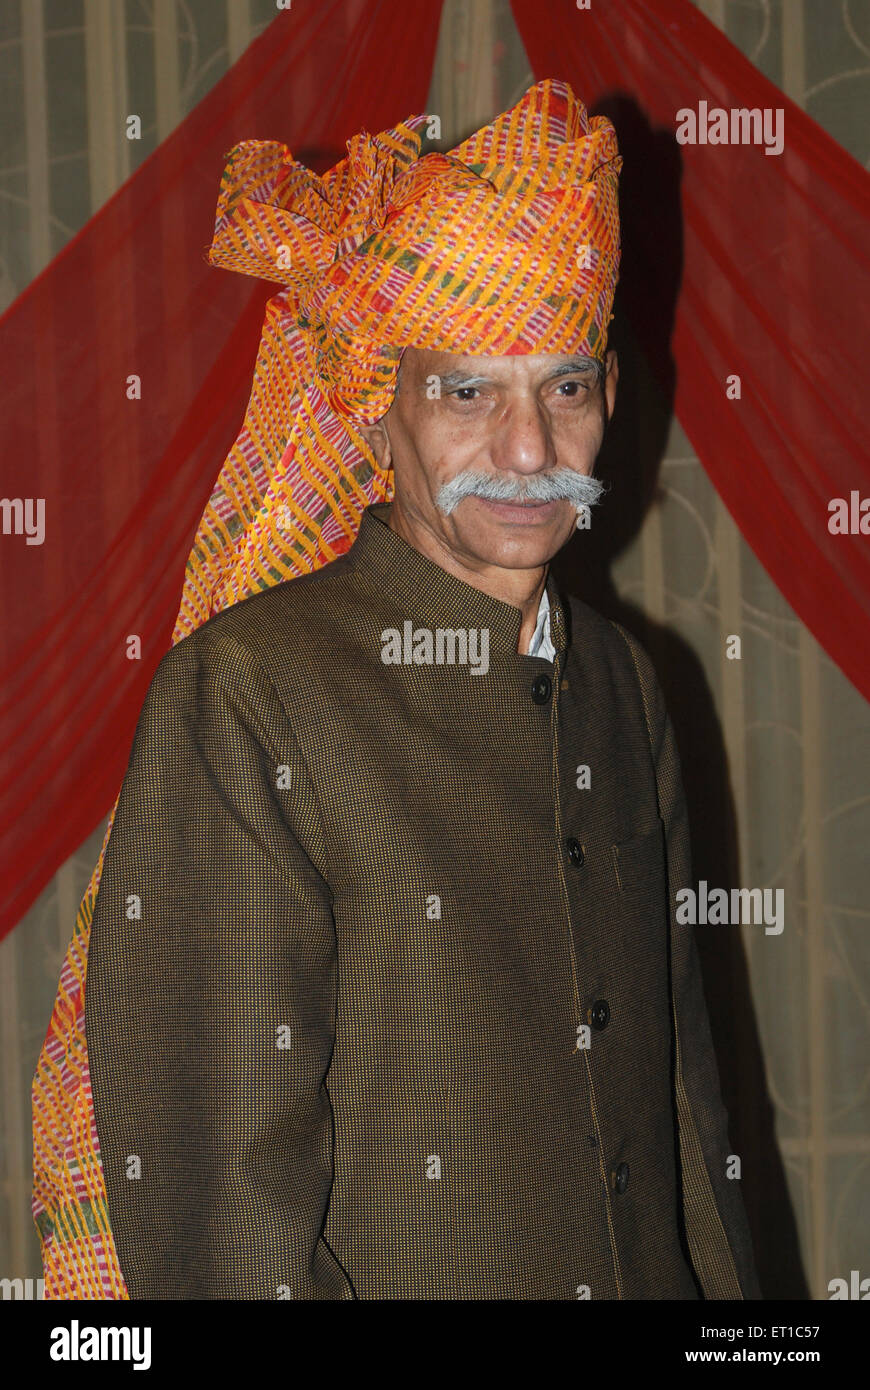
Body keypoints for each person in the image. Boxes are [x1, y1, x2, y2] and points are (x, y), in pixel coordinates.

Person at [35, 78, 760, 1300]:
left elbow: (682, 1105)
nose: (527, 453)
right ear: (381, 416)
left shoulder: (627, 685)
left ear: (612, 403)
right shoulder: (252, 693)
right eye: (468, 391)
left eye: (563, 387)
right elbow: (226, 1212)